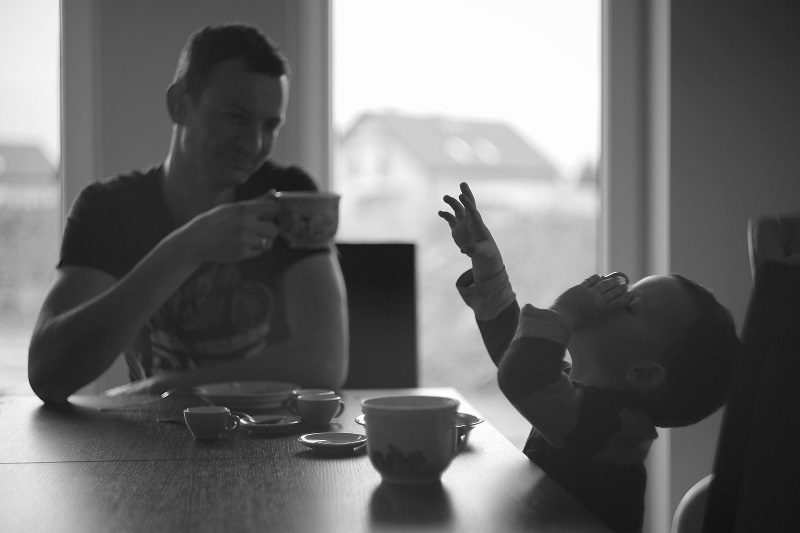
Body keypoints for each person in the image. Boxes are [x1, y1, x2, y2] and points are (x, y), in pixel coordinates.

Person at [28, 23, 348, 404]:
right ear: (179, 104)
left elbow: (326, 361)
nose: (254, 143)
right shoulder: (106, 209)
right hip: (156, 438)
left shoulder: (293, 198)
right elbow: (47, 375)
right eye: (235, 117)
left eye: (270, 125)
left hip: (270, 436)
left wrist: (163, 388)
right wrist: (187, 247)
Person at [438, 182, 739, 532]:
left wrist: (564, 312)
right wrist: (488, 264)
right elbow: (515, 350)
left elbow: (522, 374)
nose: (613, 295)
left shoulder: (608, 428)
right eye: (625, 288)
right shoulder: (581, 401)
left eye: (630, 304)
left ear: (643, 373)